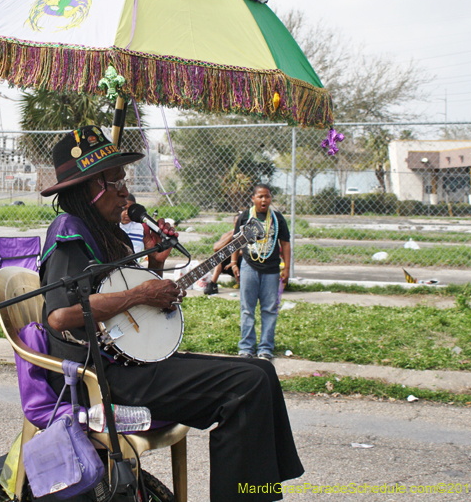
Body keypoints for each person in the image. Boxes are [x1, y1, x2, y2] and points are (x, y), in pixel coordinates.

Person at [38, 126, 303, 502]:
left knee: (261, 371)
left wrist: (154, 264)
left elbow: (124, 306)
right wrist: (142, 291)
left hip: (129, 363)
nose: (125, 191)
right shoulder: (69, 231)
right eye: (116, 181)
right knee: (246, 385)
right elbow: (60, 316)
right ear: (91, 188)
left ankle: (257, 492)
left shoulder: (105, 232)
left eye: (122, 179)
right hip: (101, 378)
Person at [229, 184, 290, 360]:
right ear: (253, 198)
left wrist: (286, 267)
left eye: (267, 197)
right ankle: (246, 348)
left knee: (270, 309)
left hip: (271, 270)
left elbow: (285, 243)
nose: (264, 200)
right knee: (247, 308)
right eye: (260, 197)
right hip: (249, 266)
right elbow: (236, 241)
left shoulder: (277, 219)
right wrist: (234, 263)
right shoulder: (245, 217)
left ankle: (265, 348)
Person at [203, 213, 241, 295]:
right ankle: (212, 284)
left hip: (242, 264)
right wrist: (232, 236)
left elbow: (244, 252)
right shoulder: (229, 234)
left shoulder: (248, 236)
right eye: (236, 223)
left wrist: (234, 257)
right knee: (219, 256)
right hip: (228, 265)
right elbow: (216, 248)